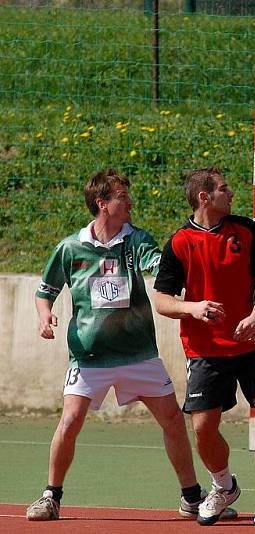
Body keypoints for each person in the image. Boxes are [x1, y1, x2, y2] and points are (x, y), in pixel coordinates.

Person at [26, 169, 236, 522]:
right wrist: (44, 317)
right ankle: (51, 496)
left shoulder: (136, 240)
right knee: (70, 421)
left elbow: (158, 264)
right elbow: (45, 291)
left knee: (172, 419)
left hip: (139, 355)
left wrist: (183, 268)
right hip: (89, 357)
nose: (130, 201)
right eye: (122, 196)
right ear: (102, 204)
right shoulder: (70, 248)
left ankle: (191, 496)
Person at [154, 167, 255, 530]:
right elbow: (163, 301)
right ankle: (223, 486)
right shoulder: (180, 242)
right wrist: (193, 308)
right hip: (206, 349)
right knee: (203, 427)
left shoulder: (245, 230)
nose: (231, 194)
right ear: (204, 197)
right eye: (223, 189)